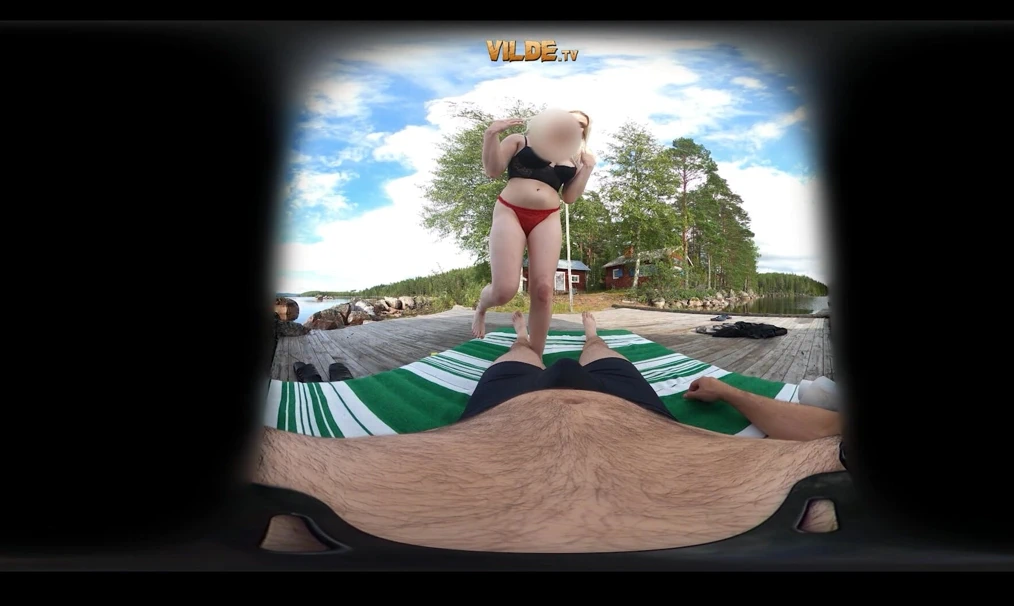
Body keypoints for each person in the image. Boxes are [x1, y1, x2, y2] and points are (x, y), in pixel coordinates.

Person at [255, 312, 846, 554]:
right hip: (630, 409)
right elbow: (824, 427)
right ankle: (583, 331)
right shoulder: (833, 489)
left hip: (504, 410)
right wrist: (727, 391)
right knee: (601, 353)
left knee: (520, 356)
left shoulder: (284, 496)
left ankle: (541, 333)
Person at [470, 109, 597, 357]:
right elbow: (493, 170)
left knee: (543, 290)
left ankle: (535, 356)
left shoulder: (575, 159)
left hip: (548, 217)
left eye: (582, 126)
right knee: (504, 291)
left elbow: (569, 197)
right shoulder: (521, 140)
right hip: (510, 211)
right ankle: (482, 307)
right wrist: (491, 134)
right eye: (571, 120)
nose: (576, 127)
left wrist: (588, 168)